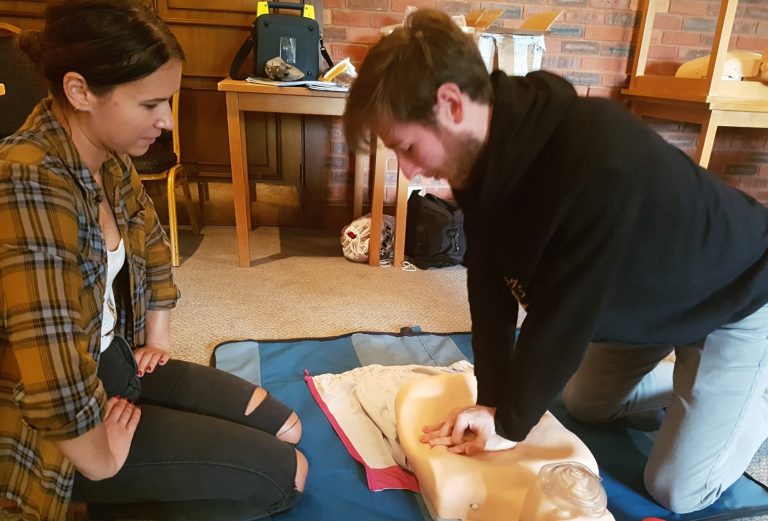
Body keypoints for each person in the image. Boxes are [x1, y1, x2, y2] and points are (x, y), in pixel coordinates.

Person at [343, 8, 768, 515]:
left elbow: (563, 316)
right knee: (586, 403)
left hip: (739, 295)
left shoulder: (594, 159)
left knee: (676, 488)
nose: (409, 171)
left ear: (452, 104)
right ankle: (693, 386)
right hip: (651, 300)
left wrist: (509, 425)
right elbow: (489, 287)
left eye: (407, 147)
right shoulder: (481, 157)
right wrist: (493, 400)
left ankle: (747, 388)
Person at [0, 1, 308, 520]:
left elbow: (154, 243)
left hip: (115, 365)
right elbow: (49, 369)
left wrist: (157, 339)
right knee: (287, 475)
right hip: (63, 429)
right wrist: (102, 457)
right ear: (80, 91)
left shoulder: (108, 159)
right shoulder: (28, 181)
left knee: (288, 426)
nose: (166, 121)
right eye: (150, 104)